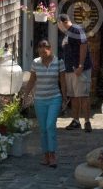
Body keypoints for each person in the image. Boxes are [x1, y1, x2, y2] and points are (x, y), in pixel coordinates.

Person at [19, 39, 68, 167]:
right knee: (42, 129)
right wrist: (25, 95)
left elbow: (63, 81)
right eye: (40, 50)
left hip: (54, 98)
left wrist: (64, 97)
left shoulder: (58, 62)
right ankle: (45, 155)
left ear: (50, 49)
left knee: (50, 125)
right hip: (40, 99)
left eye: (44, 49)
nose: (42, 52)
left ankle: (52, 155)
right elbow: (32, 80)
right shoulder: (36, 63)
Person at [58, 13, 93, 132]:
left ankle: (87, 121)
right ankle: (76, 120)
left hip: (79, 69)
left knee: (83, 95)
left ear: (62, 22)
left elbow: (83, 45)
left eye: (59, 24)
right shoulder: (67, 34)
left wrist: (81, 65)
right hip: (69, 69)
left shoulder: (76, 30)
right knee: (73, 96)